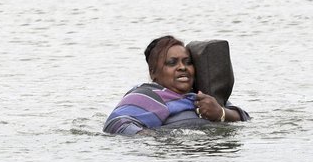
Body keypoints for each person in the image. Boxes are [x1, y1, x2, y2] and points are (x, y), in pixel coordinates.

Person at [103, 36, 250, 135]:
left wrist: (220, 113)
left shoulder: (201, 96)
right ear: (153, 72)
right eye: (172, 63)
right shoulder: (148, 96)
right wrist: (155, 139)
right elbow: (115, 123)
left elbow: (244, 117)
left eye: (188, 62)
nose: (182, 67)